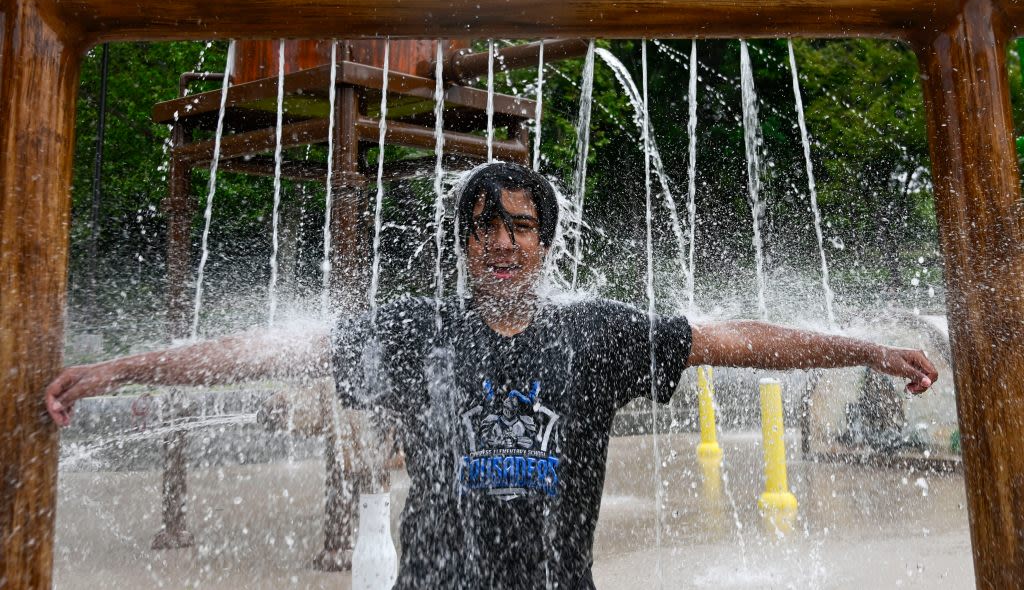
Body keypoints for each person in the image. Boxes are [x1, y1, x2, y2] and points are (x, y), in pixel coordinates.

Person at [46, 162, 938, 589]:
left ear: (545, 241)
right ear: (465, 241)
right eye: (484, 226)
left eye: (518, 225)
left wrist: (859, 345)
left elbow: (736, 339)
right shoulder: (411, 331)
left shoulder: (599, 336)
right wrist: (126, 369)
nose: (501, 242)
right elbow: (266, 351)